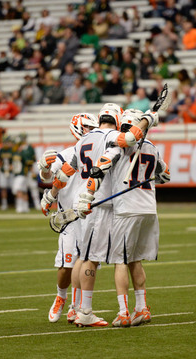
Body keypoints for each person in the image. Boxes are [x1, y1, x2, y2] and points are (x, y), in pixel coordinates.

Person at [41, 104, 159, 327]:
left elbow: (66, 172)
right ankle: (85, 311)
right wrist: (148, 119)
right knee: (93, 259)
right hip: (102, 202)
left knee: (83, 255)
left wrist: (51, 196)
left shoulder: (82, 141)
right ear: (116, 119)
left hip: (85, 201)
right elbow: (132, 139)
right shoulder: (114, 135)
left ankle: (76, 308)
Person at [78, 109, 170, 327]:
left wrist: (88, 195)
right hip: (149, 209)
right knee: (135, 259)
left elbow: (99, 168)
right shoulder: (153, 148)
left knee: (120, 260)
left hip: (126, 209)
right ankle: (142, 308)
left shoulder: (119, 146)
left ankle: (123, 312)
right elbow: (165, 176)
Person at [38, 113, 99, 323]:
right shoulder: (66, 154)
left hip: (91, 213)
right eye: (88, 127)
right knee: (66, 265)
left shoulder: (101, 151)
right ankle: (61, 297)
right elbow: (49, 177)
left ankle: (77, 308)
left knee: (87, 262)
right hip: (70, 217)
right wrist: (44, 167)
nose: (92, 130)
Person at [0, 135, 13, 210]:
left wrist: (12, 166)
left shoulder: (12, 150)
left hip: (12, 171)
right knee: (3, 188)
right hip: (3, 171)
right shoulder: (1, 150)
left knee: (15, 188)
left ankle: (17, 203)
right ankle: (4, 204)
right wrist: (0, 166)